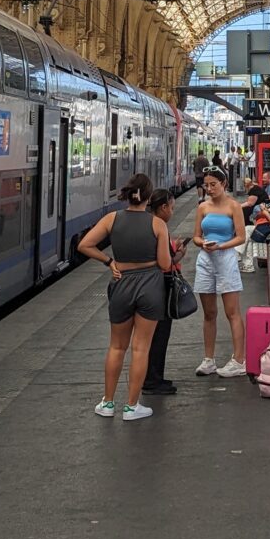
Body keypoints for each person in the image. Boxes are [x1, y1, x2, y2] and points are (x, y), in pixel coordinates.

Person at [79, 172, 173, 421]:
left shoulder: (112, 219)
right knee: (141, 348)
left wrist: (109, 261)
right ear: (149, 197)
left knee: (116, 346)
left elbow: (85, 245)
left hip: (121, 283)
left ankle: (107, 403)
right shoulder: (157, 225)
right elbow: (165, 263)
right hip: (150, 286)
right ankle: (131, 407)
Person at [192, 167, 248, 377]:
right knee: (209, 313)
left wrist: (221, 246)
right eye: (206, 185)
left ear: (224, 184)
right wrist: (203, 243)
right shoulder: (202, 207)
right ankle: (209, 359)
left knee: (232, 311)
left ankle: (239, 359)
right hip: (206, 259)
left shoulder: (234, 206)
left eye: (213, 184)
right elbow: (196, 235)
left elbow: (241, 237)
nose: (209, 189)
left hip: (225, 258)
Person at [143, 189, 185, 397]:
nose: (172, 212)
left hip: (148, 286)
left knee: (153, 337)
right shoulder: (159, 226)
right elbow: (165, 263)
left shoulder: (146, 223)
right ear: (163, 207)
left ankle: (154, 377)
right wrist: (178, 256)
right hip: (159, 287)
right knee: (159, 335)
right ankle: (152, 381)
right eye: (172, 207)